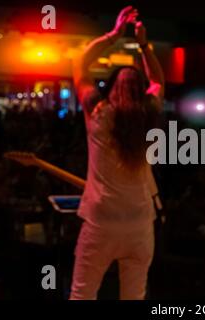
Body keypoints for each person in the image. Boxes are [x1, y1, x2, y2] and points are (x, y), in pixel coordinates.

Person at [70, 6, 164, 300]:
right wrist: (144, 46)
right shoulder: (148, 116)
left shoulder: (98, 113)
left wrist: (113, 35)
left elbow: (80, 66)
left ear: (111, 90)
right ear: (141, 93)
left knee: (83, 294)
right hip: (139, 225)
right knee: (134, 296)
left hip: (102, 223)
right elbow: (159, 81)